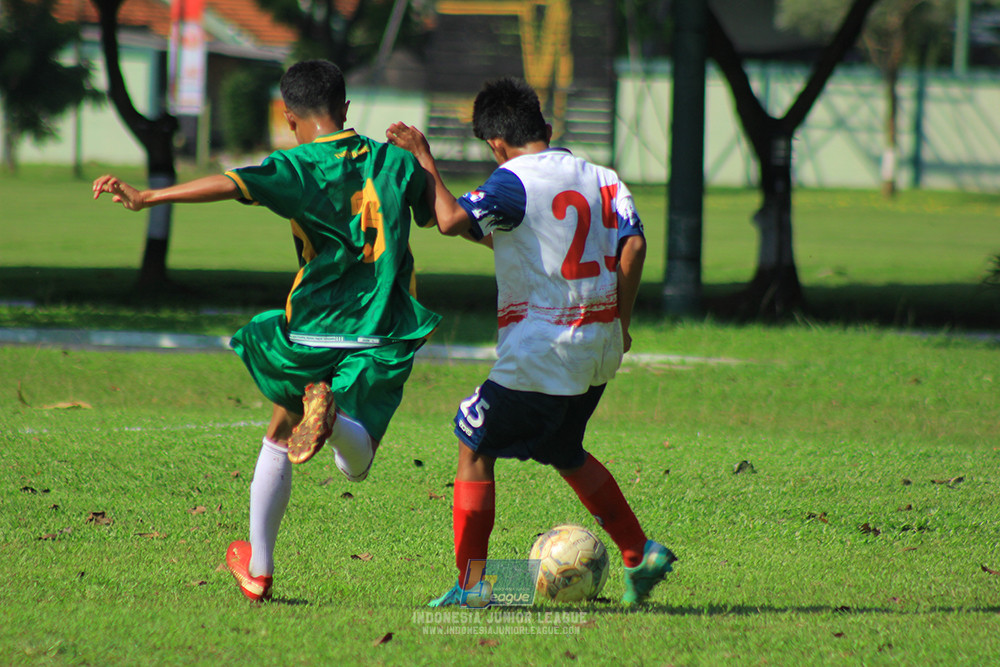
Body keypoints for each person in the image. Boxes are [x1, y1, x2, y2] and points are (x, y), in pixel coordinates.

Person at [92, 59, 441, 602]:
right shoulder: (394, 161)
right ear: (345, 109)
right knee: (356, 462)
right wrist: (423, 160)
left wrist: (149, 197)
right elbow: (437, 215)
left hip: (309, 332)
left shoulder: (297, 165)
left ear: (288, 115)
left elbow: (230, 184)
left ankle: (259, 567)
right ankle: (330, 416)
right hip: (379, 331)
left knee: (282, 435)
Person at [386, 76, 676, 607]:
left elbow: (450, 220)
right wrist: (622, 323)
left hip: (543, 350)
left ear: (496, 144)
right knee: (564, 450)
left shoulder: (511, 179)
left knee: (473, 436)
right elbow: (632, 249)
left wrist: (424, 157)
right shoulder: (604, 178)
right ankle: (640, 554)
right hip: (596, 349)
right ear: (546, 127)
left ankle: (475, 586)